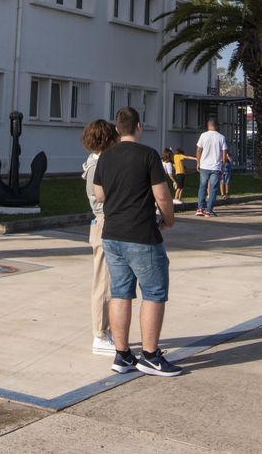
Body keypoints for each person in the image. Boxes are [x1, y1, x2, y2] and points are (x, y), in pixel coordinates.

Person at [93, 106, 183, 377]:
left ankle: (122, 355)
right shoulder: (148, 155)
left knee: (121, 292)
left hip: (112, 235)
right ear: (139, 127)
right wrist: (169, 220)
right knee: (154, 293)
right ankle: (151, 356)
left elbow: (99, 195)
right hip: (142, 234)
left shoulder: (105, 157)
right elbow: (163, 196)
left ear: (117, 129)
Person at [80, 119, 119, 356]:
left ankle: (107, 330)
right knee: (103, 283)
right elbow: (99, 199)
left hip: (106, 222)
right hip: (104, 222)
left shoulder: (99, 162)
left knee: (110, 283)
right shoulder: (96, 166)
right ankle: (99, 334)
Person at [194, 117, 227, 216]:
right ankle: (208, 210)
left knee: (202, 187)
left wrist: (198, 162)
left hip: (204, 166)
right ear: (216, 126)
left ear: (208, 126)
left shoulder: (203, 135)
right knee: (213, 188)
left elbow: (199, 150)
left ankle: (200, 208)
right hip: (216, 166)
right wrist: (223, 165)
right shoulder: (221, 137)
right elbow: (224, 153)